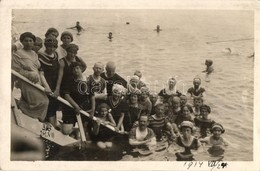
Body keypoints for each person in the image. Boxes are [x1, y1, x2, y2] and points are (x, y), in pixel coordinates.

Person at [12, 32, 50, 122]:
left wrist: (44, 83)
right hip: (25, 81)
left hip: (36, 81)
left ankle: (31, 117)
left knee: (45, 100)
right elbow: (16, 70)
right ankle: (28, 113)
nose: (28, 43)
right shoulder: (17, 54)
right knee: (42, 101)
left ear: (33, 42)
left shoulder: (34, 53)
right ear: (22, 41)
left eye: (30, 41)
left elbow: (37, 68)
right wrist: (29, 75)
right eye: (26, 41)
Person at [62, 62, 95, 135]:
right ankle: (75, 130)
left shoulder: (88, 80)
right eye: (73, 69)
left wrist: (93, 109)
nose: (76, 70)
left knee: (84, 128)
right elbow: (66, 95)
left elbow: (92, 96)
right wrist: (76, 106)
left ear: (81, 69)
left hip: (84, 108)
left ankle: (79, 133)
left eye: (77, 68)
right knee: (65, 131)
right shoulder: (69, 81)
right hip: (71, 107)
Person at [38, 37, 60, 127]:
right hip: (47, 83)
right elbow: (41, 73)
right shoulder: (41, 57)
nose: (51, 49)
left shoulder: (56, 55)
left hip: (55, 83)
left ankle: (54, 122)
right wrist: (46, 86)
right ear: (45, 46)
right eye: (49, 46)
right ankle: (50, 123)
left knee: (55, 103)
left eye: (54, 47)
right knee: (49, 103)